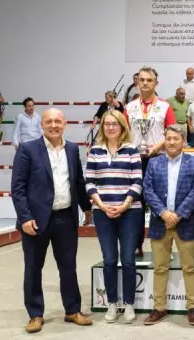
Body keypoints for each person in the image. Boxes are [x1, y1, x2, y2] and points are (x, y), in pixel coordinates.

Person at [11, 108, 93, 334]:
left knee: (68, 267)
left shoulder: (73, 148)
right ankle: (35, 314)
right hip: (35, 222)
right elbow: (17, 188)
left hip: (66, 217)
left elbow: (77, 181)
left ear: (65, 124)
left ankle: (72, 310)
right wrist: (25, 217)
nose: (54, 125)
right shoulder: (28, 150)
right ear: (42, 125)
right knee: (33, 268)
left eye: (58, 121)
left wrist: (86, 207)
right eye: (49, 121)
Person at [142, 125, 194, 326]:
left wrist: (177, 215)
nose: (171, 142)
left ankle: (193, 307)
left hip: (185, 223)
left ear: (183, 140)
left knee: (190, 267)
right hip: (160, 223)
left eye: (176, 138)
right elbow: (147, 190)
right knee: (160, 267)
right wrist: (163, 213)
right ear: (164, 140)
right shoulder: (154, 163)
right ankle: (159, 308)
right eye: (168, 138)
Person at [85, 109, 143, 324]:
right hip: (103, 213)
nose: (110, 127)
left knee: (127, 260)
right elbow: (90, 182)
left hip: (130, 212)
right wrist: (102, 205)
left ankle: (128, 304)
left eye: (114, 124)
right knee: (109, 260)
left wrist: (124, 205)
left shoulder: (131, 150)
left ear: (122, 126)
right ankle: (111, 304)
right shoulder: (95, 151)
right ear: (102, 127)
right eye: (107, 124)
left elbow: (137, 181)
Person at [125, 66, 175, 257]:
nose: (145, 83)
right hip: (135, 161)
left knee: (161, 205)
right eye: (142, 80)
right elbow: (123, 134)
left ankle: (164, 247)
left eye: (149, 80)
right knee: (135, 205)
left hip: (159, 160)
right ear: (137, 82)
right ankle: (135, 245)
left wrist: (159, 145)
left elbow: (172, 133)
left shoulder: (165, 106)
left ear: (156, 83)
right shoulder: (129, 108)